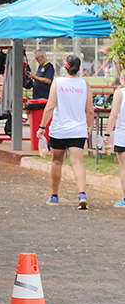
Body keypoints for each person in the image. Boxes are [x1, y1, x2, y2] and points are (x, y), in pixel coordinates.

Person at [37, 55, 94, 210]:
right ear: (79, 68)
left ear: (65, 67)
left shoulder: (58, 82)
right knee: (78, 162)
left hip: (59, 129)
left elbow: (50, 106)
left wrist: (42, 126)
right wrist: (89, 127)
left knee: (56, 162)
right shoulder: (84, 84)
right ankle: (82, 194)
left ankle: (54, 196)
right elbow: (90, 110)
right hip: (78, 129)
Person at [104, 70, 125, 207]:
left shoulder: (120, 93)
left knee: (124, 168)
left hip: (122, 135)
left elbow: (114, 115)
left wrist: (107, 134)